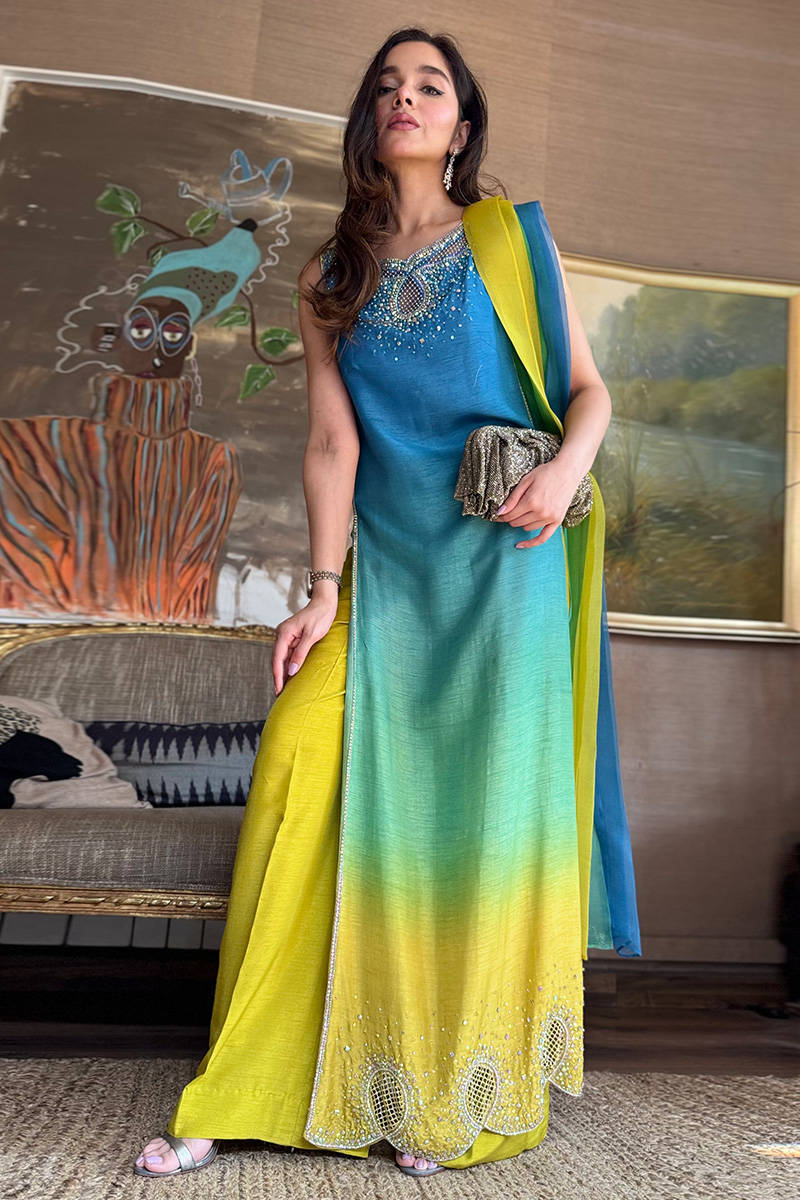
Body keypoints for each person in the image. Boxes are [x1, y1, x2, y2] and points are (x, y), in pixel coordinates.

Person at [134, 25, 640, 1180]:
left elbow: (587, 392)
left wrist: (563, 471)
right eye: (386, 85)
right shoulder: (330, 274)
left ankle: (441, 1089)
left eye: (429, 85)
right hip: (386, 577)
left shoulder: (511, 238)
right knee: (298, 769)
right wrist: (319, 591)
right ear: (369, 119)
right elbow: (331, 444)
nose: (405, 98)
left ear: (460, 125)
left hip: (504, 565)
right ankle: (244, 1082)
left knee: (475, 828)